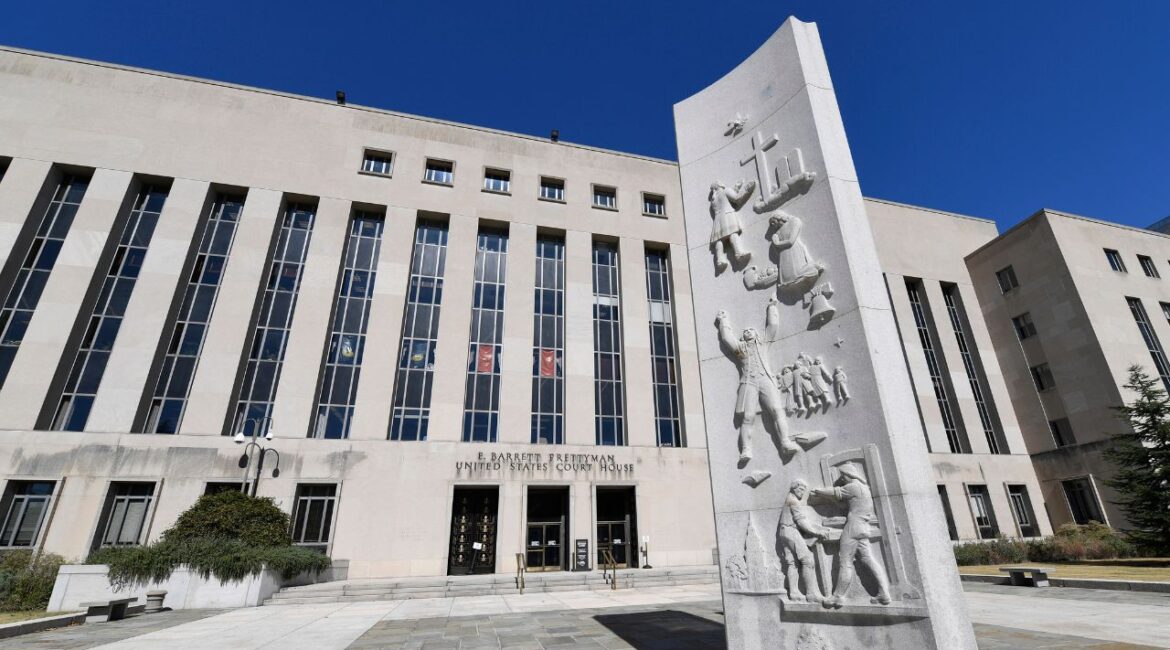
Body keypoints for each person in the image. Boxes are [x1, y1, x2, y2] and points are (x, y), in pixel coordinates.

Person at [715, 298, 799, 461]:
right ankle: (746, 450)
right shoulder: (740, 350)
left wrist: (772, 307)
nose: (747, 331)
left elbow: (772, 327)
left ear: (756, 334)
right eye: (745, 331)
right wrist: (723, 320)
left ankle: (785, 442)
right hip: (749, 383)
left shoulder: (763, 344)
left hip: (765, 379)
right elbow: (727, 339)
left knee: (777, 410)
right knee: (747, 417)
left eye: (750, 330)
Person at [812, 462, 892, 607]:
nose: (842, 479)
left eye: (843, 476)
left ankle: (837, 597)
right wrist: (831, 499)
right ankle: (884, 593)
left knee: (845, 562)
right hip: (863, 527)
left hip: (853, 528)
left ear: (849, 475)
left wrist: (819, 491)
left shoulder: (853, 486)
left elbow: (835, 492)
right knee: (868, 559)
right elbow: (844, 505)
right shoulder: (864, 489)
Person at [778, 479, 830, 603]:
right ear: (793, 488)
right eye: (800, 489)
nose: (802, 492)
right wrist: (816, 532)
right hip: (790, 531)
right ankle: (811, 594)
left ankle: (794, 593)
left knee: (792, 563)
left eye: (804, 490)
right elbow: (801, 521)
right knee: (808, 560)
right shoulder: (793, 501)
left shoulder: (789, 499)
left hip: (784, 531)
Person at [709, 179, 756, 271]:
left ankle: (720, 259)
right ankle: (738, 253)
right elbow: (736, 199)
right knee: (732, 234)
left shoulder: (713, 199)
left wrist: (736, 188)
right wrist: (747, 190)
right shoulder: (725, 190)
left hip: (718, 219)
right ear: (720, 185)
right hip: (727, 215)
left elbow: (726, 199)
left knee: (720, 239)